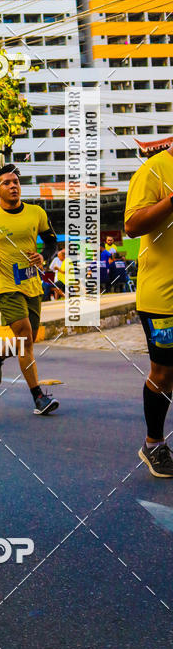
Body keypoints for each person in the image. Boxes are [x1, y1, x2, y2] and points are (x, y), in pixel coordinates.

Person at [0, 164, 59, 414]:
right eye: (7, 183)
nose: (13, 185)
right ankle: (38, 397)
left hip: (31, 283)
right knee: (25, 335)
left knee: (27, 340)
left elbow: (51, 241)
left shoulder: (36, 212)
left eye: (16, 181)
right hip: (4, 283)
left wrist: (43, 257)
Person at [125, 143, 173, 477]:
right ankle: (153, 443)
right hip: (163, 297)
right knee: (165, 374)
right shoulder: (153, 170)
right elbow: (132, 225)